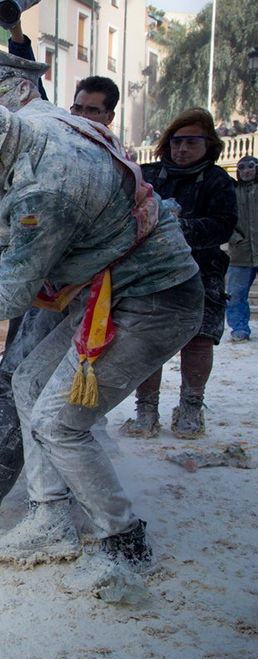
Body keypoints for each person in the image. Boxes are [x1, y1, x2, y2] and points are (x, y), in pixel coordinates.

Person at [0, 94, 202, 572]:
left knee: (58, 423)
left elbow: (7, 300)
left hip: (153, 300)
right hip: (109, 288)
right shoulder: (30, 121)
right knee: (27, 382)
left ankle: (123, 540)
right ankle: (48, 519)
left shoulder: (45, 191)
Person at [121, 108, 238, 439]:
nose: (182, 149)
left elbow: (224, 225)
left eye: (191, 143)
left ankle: (190, 406)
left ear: (208, 145)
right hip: (150, 272)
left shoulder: (217, 181)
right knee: (147, 341)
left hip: (203, 271)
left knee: (200, 340)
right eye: (176, 142)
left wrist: (178, 228)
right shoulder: (149, 175)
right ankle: (146, 409)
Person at [226, 155, 258, 342]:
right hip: (240, 253)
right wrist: (234, 238)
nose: (246, 171)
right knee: (236, 294)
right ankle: (239, 328)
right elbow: (224, 218)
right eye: (242, 168)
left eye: (251, 167)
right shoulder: (231, 192)